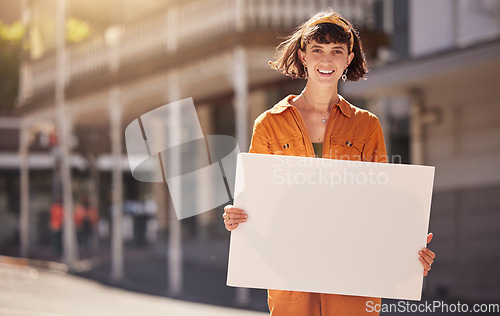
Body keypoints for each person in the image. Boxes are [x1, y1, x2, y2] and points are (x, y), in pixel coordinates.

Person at [222, 9, 436, 316]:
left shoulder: (367, 126)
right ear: (303, 56)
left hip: (354, 278)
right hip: (291, 278)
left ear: (348, 59)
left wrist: (407, 251)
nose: (326, 60)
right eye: (317, 50)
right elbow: (256, 203)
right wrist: (237, 216)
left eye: (336, 51)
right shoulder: (269, 124)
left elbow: (381, 207)